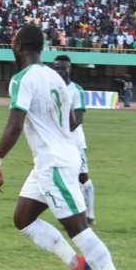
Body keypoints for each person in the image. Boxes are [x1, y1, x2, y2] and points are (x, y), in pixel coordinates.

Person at [0, 25, 136, 270]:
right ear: (41, 48)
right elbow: (69, 121)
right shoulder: (56, 78)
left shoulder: (22, 79)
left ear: (18, 46)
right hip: (50, 160)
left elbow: (15, 123)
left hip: (54, 163)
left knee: (79, 230)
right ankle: (76, 265)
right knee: (23, 219)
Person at [54, 55, 95, 226]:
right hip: (56, 141)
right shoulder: (51, 88)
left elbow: (78, 119)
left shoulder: (76, 90)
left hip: (75, 141)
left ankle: (90, 214)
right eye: (57, 68)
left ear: (70, 69)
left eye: (63, 68)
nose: (60, 71)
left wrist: (61, 133)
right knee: (60, 177)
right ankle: (70, 214)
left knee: (82, 176)